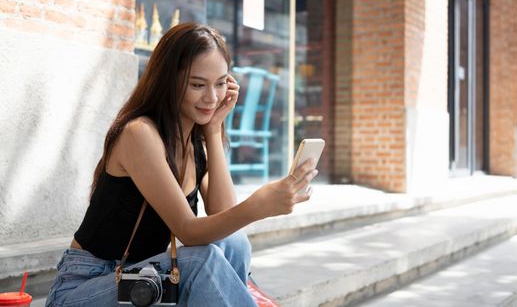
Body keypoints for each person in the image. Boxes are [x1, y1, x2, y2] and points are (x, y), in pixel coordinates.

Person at [45, 22, 318, 307]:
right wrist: (257, 207)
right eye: (198, 85)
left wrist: (213, 131)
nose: (212, 98)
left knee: (233, 243)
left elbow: (223, 218)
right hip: (89, 287)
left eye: (221, 83)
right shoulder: (140, 133)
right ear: (168, 82)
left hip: (144, 282)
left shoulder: (195, 142)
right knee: (201, 261)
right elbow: (188, 230)